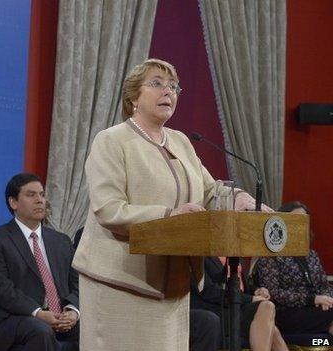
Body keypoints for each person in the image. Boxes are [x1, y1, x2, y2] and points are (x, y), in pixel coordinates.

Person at [72, 58, 272, 351]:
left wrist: (238, 197)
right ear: (133, 98)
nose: (168, 91)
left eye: (174, 86)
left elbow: (208, 190)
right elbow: (108, 208)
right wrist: (170, 215)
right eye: (156, 84)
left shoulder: (180, 141)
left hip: (173, 281)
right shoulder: (112, 140)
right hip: (119, 280)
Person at [0, 173, 79, 351]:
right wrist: (38, 313)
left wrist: (72, 311)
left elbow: (77, 283)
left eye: (42, 194)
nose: (40, 200)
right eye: (31, 195)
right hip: (15, 319)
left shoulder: (61, 241)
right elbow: (0, 289)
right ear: (13, 203)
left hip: (60, 317)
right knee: (40, 331)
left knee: (97, 326)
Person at [256, 201, 333, 335]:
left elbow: (324, 284)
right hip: (288, 313)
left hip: (317, 308)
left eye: (304, 220)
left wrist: (326, 298)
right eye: (295, 220)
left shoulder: (311, 254)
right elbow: (273, 293)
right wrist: (312, 299)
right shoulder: (271, 256)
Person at [191, 257, 288, 350]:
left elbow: (239, 288)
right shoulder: (201, 256)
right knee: (269, 320)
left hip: (237, 307)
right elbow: (209, 291)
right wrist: (251, 299)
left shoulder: (235, 252)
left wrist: (257, 291)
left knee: (269, 315)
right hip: (215, 309)